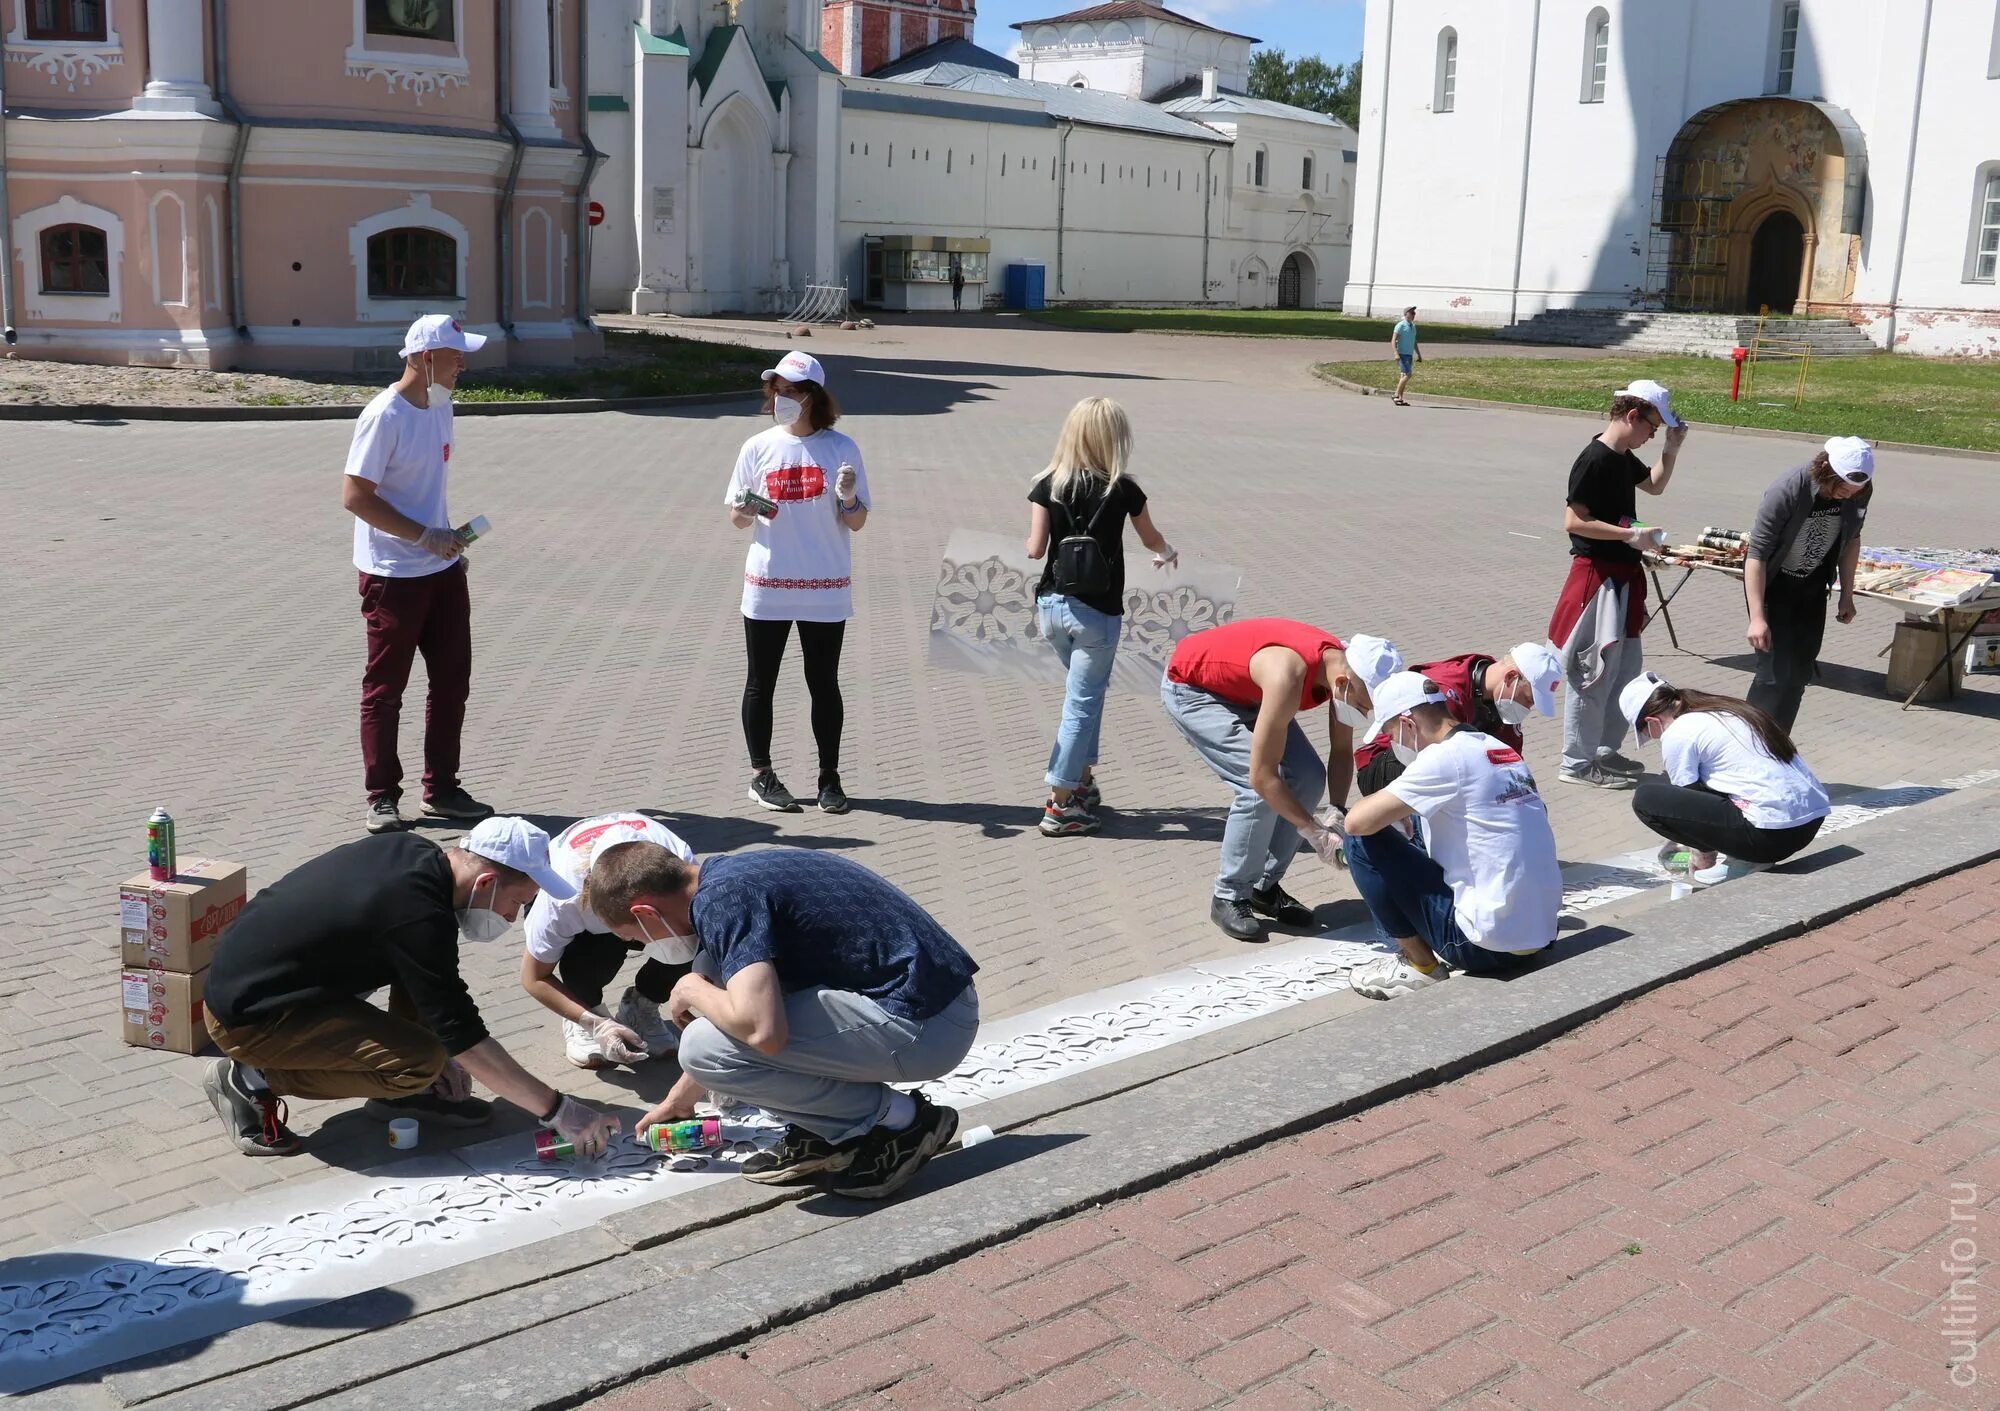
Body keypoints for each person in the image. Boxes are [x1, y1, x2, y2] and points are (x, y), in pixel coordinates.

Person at [201, 818, 623, 1159]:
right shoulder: (416, 913)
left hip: (272, 983)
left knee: (431, 996)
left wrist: (453, 1047)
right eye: (516, 902)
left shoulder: (413, 853)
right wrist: (558, 1109)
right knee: (420, 1060)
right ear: (486, 884)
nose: (513, 918)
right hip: (251, 1018)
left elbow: (437, 989)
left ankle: (408, 1097)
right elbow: (465, 1036)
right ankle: (250, 1078)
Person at [581, 844, 979, 1200]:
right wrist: (679, 1101)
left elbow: (762, 1034)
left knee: (702, 1041)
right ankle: (830, 1134)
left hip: (925, 1028)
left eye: (635, 938)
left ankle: (905, 1124)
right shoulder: (727, 878)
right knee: (718, 1000)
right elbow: (744, 1032)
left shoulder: (723, 903)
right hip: (932, 1007)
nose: (641, 947)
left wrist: (690, 989)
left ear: (645, 912)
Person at [343, 314, 497, 835]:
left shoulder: (442, 405)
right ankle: (382, 796)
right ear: (426, 358)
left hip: (441, 568)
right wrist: (421, 537)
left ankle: (443, 789)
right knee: (386, 688)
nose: (463, 364)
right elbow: (356, 496)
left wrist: (446, 539)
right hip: (392, 574)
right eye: (456, 355)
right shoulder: (384, 415)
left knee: (452, 680)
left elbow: (426, 487)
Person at [1162, 620, 1401, 940]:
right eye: (1363, 706)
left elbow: (1342, 749)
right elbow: (1262, 776)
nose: (1365, 714)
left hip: (1244, 692)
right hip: (1194, 689)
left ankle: (1263, 886)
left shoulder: (1340, 670)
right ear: (1345, 685)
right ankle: (1229, 894)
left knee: (1308, 776)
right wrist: (1315, 833)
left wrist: (1337, 809)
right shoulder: (1287, 675)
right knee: (1256, 791)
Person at [1341, 672, 1563, 1001]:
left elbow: (1358, 822)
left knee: (1360, 841)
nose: (1394, 745)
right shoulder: (1498, 748)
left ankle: (1420, 967)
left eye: (1391, 735)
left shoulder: (1442, 758)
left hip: (1484, 947)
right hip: (1541, 933)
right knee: (1416, 827)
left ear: (1407, 723)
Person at [1025, 397, 1178, 837]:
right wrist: (1166, 553)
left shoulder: (1047, 483)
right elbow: (1152, 539)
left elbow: (1035, 549)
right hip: (1097, 614)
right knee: (1081, 703)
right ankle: (1060, 803)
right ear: (1115, 438)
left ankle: (1083, 783)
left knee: (1084, 696)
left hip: (1052, 608)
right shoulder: (1123, 489)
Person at [727, 350, 870, 816]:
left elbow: (858, 521)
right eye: (778, 390)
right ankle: (761, 775)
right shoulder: (756, 447)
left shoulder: (841, 448)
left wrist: (848, 498)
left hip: (825, 583)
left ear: (813, 396)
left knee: (823, 682)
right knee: (759, 682)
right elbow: (736, 518)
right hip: (768, 583)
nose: (782, 398)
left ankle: (830, 778)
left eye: (792, 391)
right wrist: (747, 508)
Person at [1548, 379, 1687, 790]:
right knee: (1593, 674)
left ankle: (1604, 750)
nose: (1652, 434)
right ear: (1632, 416)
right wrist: (1630, 536)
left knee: (1625, 671)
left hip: (1624, 576)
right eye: (1652, 427)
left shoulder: (1623, 456)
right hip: (1598, 578)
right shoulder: (1594, 458)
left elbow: (1656, 485)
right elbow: (1574, 521)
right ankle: (1576, 762)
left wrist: (1671, 450)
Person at [518, 812, 698, 1070]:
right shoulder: (562, 899)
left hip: (641, 900)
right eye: (628, 934)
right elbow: (533, 977)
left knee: (690, 941)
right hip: (580, 906)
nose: (629, 941)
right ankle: (584, 1010)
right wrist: (595, 1023)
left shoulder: (682, 867)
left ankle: (641, 1005)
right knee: (594, 955)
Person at [1622, 672, 1829, 884]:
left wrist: (1701, 853)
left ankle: (1746, 858)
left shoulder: (1677, 733)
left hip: (1770, 836)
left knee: (1646, 798)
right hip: (1809, 823)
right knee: (1714, 782)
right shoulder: (1725, 708)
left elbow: (1690, 802)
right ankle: (1744, 854)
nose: (1653, 738)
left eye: (1647, 734)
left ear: (1652, 721)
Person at [1744, 437, 1875, 732]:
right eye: (1841, 489)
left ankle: (1777, 747)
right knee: (1773, 676)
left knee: (1798, 675)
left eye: (1854, 492)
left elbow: (1852, 539)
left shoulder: (1859, 491)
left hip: (1813, 587)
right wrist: (1757, 618)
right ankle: (1747, 747)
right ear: (1825, 469)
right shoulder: (1788, 489)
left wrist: (1847, 595)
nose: (1847, 496)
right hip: (1776, 588)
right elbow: (1757, 555)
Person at [1354, 643, 1563, 797]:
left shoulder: (1501, 698)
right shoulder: (1445, 693)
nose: (1528, 708)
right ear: (1510, 678)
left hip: (1434, 760)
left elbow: (1510, 759)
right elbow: (1436, 766)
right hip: (1388, 762)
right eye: (1528, 699)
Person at [1390, 306, 1421, 406]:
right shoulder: (1400, 325)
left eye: (1414, 313)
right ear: (1406, 314)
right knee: (1408, 374)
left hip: (1409, 354)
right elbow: (1393, 340)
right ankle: (1395, 394)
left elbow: (1414, 341)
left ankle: (1400, 398)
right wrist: (1395, 353)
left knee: (1403, 376)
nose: (1413, 315)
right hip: (1402, 354)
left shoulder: (1413, 326)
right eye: (1411, 313)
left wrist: (1419, 354)